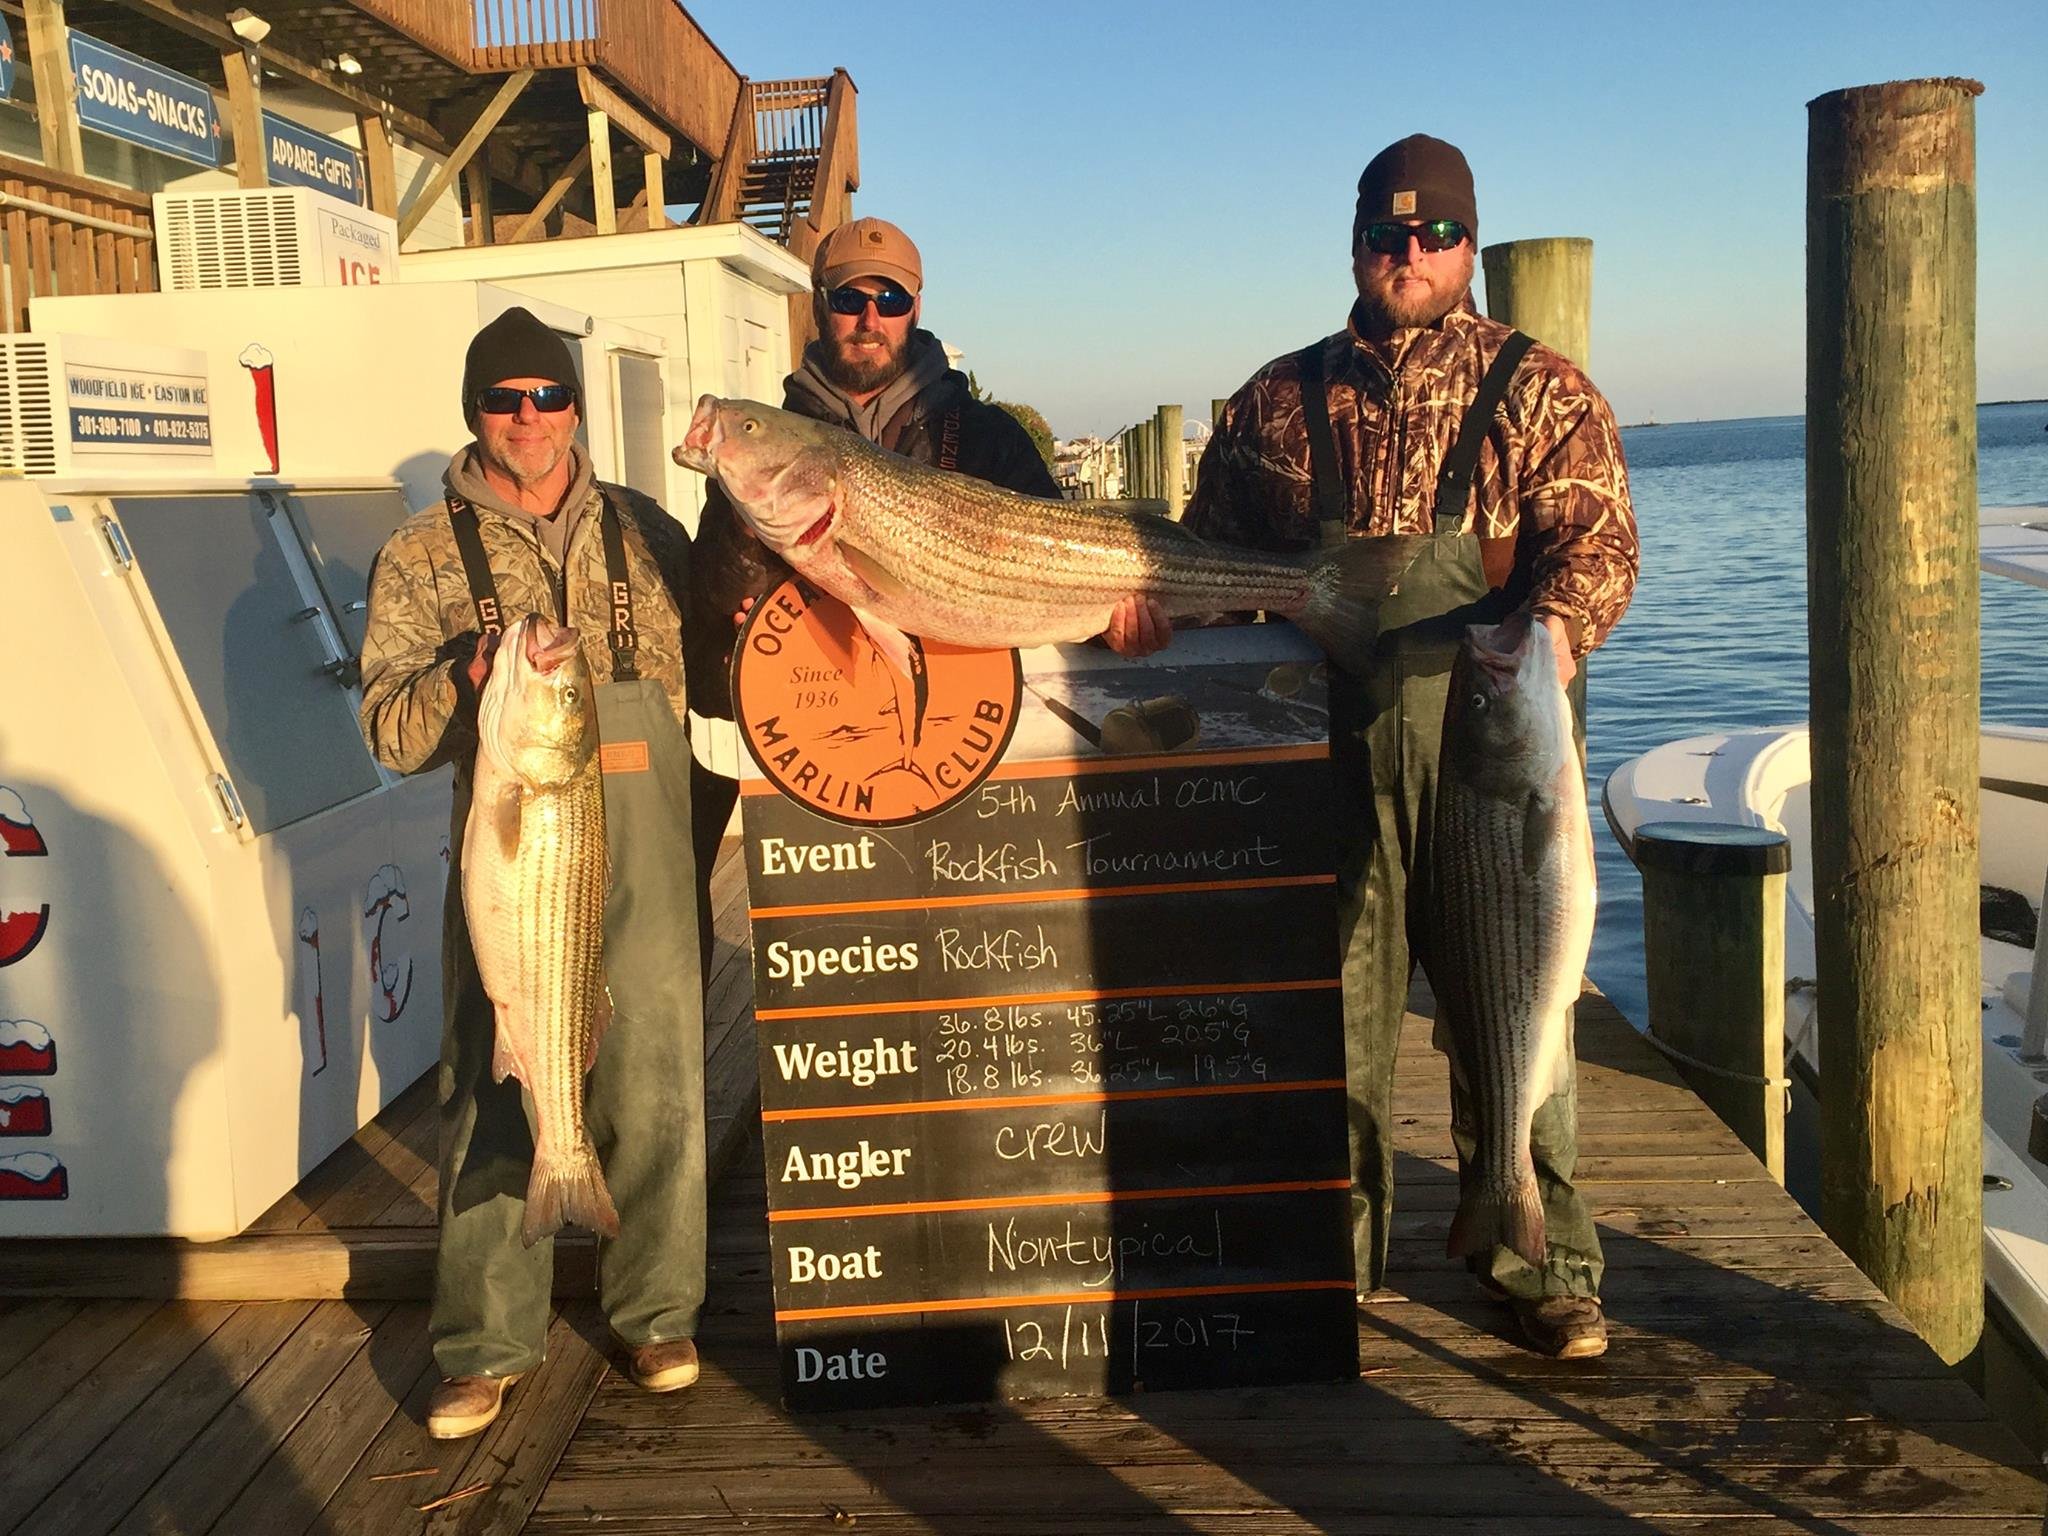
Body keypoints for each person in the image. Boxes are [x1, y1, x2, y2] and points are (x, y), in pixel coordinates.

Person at [1176, 135, 1640, 1359]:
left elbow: (1599, 546)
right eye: (1386, 236)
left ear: (1467, 245)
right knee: (1333, 1008)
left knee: (1518, 1002)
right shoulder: (1277, 400)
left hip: (1489, 753)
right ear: (1354, 247)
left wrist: (1541, 630)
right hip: (1325, 741)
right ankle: (1341, 1255)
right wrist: (1150, 607)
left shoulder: (1541, 388)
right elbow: (1205, 559)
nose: (1408, 255)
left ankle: (1539, 1256)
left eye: (1433, 234)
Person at [358, 307, 713, 1437]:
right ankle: (482, 1343)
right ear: (475, 411)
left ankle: (656, 1310)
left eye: (547, 395)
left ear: (573, 407)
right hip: (516, 857)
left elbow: (739, 652)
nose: (528, 417)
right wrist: (468, 680)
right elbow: (389, 734)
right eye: (504, 397)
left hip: (643, 845)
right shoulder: (420, 552)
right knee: (490, 1090)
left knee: (658, 1077)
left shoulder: (649, 530)